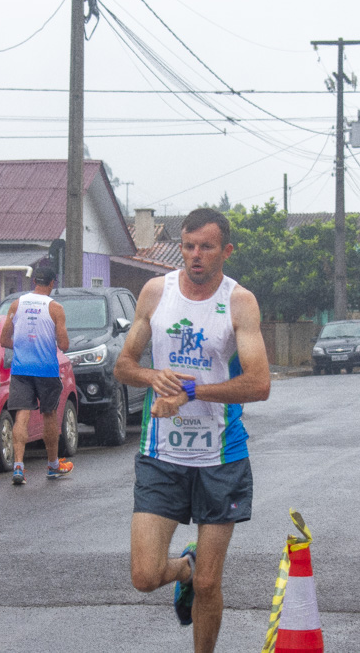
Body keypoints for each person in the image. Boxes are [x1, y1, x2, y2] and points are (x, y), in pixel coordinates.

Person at [114, 208, 270, 653]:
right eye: (188, 246)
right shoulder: (154, 293)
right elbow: (124, 365)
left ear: (226, 250)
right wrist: (152, 378)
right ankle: (183, 565)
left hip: (221, 457)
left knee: (209, 583)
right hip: (161, 454)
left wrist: (193, 391)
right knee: (144, 576)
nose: (195, 256)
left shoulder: (239, 301)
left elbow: (258, 383)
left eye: (206, 247)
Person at [0, 264, 72, 485]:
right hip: (46, 370)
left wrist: (22, 347)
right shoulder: (55, 308)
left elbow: (4, 340)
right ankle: (52, 466)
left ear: (34, 282)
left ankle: (18, 466)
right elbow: (64, 344)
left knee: (22, 415)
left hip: (21, 369)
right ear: (52, 283)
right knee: (49, 414)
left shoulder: (16, 304)